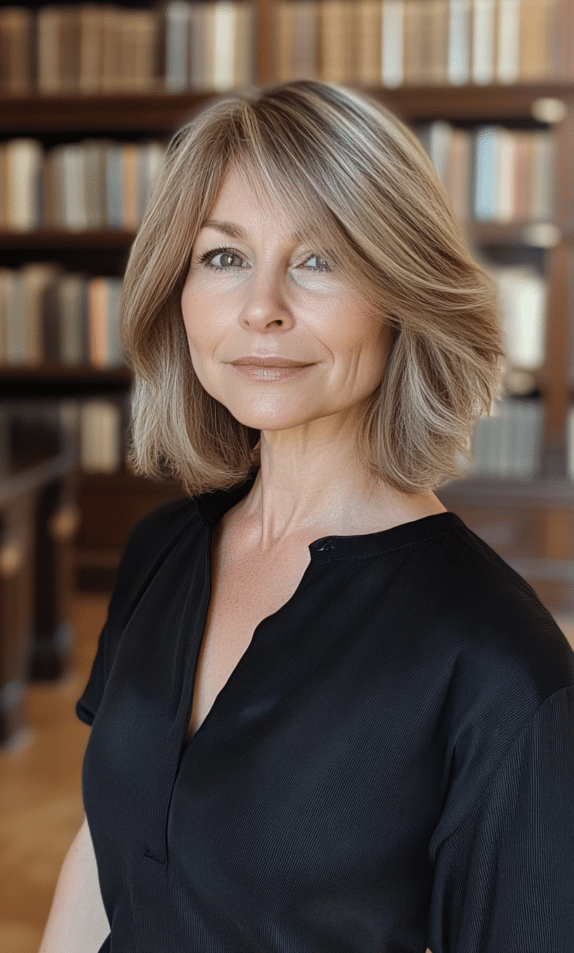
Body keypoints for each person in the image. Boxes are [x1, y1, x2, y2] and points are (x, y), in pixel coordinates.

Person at [39, 80, 574, 953]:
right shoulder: (163, 551)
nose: (262, 306)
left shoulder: (500, 667)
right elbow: (108, 853)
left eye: (319, 259)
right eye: (223, 257)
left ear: (403, 291)